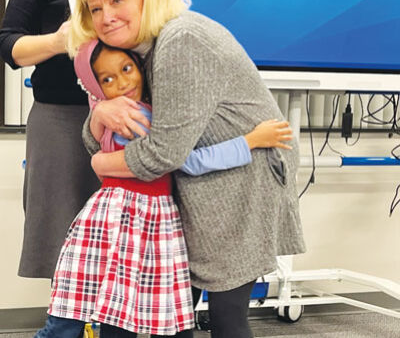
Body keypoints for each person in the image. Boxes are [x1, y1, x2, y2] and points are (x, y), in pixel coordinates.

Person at [68, 0, 306, 338]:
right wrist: (97, 117)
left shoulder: (182, 39)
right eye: (95, 8)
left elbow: (163, 152)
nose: (105, 16)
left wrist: (100, 165)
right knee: (174, 316)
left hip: (240, 186)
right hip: (203, 189)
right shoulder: (140, 50)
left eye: (116, 0)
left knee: (226, 317)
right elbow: (119, 136)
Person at [35, 39, 293, 338]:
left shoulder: (128, 110)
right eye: (107, 79)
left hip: (131, 215)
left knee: (115, 312)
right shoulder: (137, 118)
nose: (122, 82)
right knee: (128, 315)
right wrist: (250, 140)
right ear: (95, 87)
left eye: (127, 68)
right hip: (136, 218)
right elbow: (189, 161)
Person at [0, 0, 177, 279]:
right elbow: (9, 44)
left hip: (135, 120)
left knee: (130, 240)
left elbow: (171, 44)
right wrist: (60, 41)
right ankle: (69, 324)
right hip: (61, 120)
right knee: (63, 240)